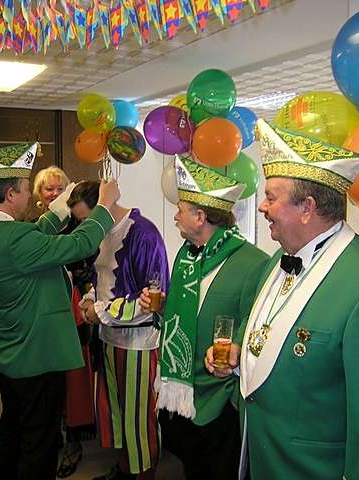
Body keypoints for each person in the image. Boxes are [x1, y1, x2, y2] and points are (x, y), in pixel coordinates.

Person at [224, 120, 359, 479]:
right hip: (262, 459)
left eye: (271, 197)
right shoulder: (276, 260)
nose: (261, 207)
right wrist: (241, 357)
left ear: (307, 207)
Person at [0, 143, 120, 480]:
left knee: (12, 430)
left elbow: (33, 234)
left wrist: (63, 205)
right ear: (11, 194)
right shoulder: (14, 239)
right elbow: (78, 244)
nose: (27, 196)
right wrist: (104, 207)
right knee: (40, 443)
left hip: (12, 353)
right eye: (24, 189)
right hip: (36, 354)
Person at [138, 154, 269, 479]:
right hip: (181, 389)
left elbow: (258, 327)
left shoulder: (253, 262)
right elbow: (186, 313)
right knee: (192, 467)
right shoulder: (187, 254)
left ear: (199, 216)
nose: (176, 217)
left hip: (221, 397)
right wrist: (163, 308)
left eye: (181, 210)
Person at [68, 181, 169, 480]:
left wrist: (99, 312)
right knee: (119, 412)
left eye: (88, 218)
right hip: (110, 338)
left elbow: (153, 298)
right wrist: (90, 301)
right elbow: (101, 281)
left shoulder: (144, 234)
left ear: (106, 206)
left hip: (138, 342)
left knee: (139, 418)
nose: (87, 226)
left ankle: (143, 474)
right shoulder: (104, 234)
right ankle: (126, 468)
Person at [33, 165, 97, 478]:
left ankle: (74, 444)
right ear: (39, 196)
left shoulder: (80, 225)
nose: (56, 194)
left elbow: (88, 268)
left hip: (73, 310)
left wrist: (86, 290)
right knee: (47, 380)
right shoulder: (33, 229)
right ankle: (51, 437)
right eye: (49, 189)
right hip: (44, 312)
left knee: (74, 380)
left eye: (62, 189)